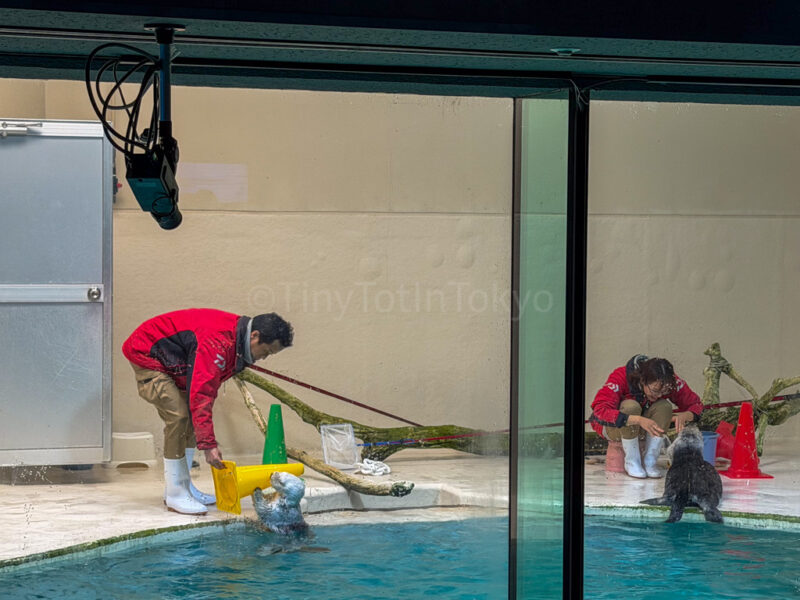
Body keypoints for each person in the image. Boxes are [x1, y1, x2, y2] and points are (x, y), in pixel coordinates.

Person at [122, 309, 293, 515]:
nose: (264, 358)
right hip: (147, 352)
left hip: (172, 358)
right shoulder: (218, 343)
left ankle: (184, 486)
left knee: (191, 418)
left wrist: (205, 437)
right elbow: (202, 393)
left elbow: (204, 390)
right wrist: (208, 444)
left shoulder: (235, 344)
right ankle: (175, 493)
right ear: (254, 336)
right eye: (266, 351)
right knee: (179, 417)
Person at [589, 354, 703, 479]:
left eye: (664, 392)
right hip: (614, 427)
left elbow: (696, 404)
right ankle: (632, 461)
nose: (659, 395)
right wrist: (638, 420)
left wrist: (686, 415)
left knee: (664, 406)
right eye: (655, 390)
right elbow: (600, 411)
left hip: (644, 427)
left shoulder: (667, 381)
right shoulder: (620, 376)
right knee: (631, 407)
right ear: (643, 380)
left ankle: (650, 461)